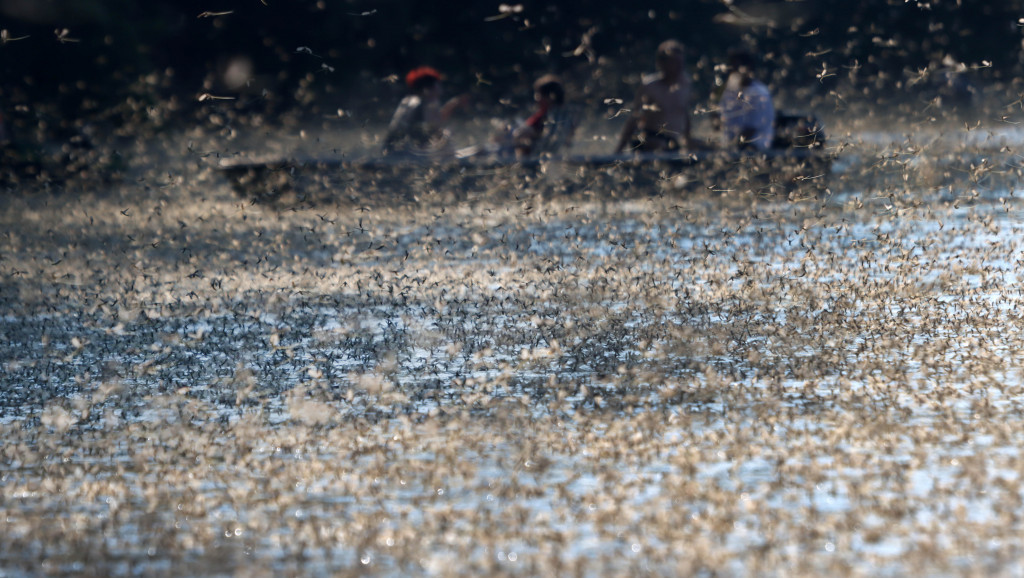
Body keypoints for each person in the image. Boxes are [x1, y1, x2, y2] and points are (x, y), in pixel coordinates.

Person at [614, 40, 694, 153]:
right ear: (662, 64)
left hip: (672, 141)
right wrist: (618, 150)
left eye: (681, 63)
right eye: (675, 63)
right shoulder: (649, 86)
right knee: (659, 144)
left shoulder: (685, 84)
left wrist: (689, 142)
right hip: (649, 138)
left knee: (706, 146)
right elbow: (634, 118)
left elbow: (685, 114)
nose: (680, 67)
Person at [382, 66, 468, 156]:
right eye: (438, 84)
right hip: (407, 154)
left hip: (392, 151)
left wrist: (453, 104)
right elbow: (436, 127)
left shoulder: (410, 101)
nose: (440, 87)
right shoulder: (425, 104)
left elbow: (434, 120)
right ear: (428, 89)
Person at [716, 50, 774, 151]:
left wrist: (730, 145)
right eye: (732, 67)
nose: (733, 71)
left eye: (736, 67)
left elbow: (750, 131)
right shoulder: (731, 88)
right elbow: (722, 117)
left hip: (755, 147)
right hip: (731, 145)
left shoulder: (759, 93)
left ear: (748, 68)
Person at [510, 74, 576, 158]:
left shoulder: (545, 116)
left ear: (549, 97)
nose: (536, 98)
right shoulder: (568, 116)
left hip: (535, 157)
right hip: (552, 155)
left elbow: (519, 135)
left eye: (538, 94)